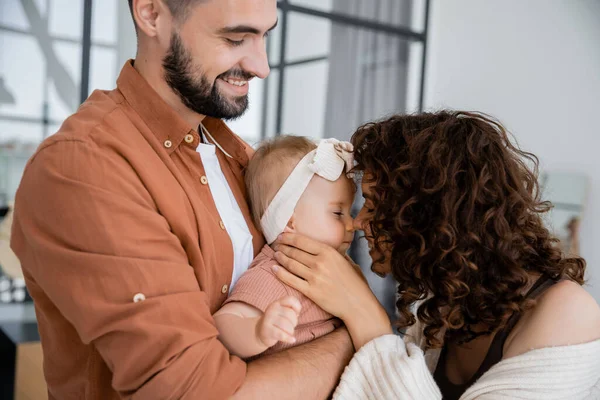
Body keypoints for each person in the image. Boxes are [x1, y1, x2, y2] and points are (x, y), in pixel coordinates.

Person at [10, 0, 353, 398]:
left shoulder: (238, 156)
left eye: (264, 37)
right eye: (236, 37)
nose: (262, 67)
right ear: (151, 13)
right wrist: (361, 334)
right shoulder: (83, 167)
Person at [273, 111, 600, 399]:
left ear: (427, 214)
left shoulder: (566, 313)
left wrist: (363, 312)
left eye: (372, 205)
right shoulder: (445, 301)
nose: (358, 222)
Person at [214, 136, 355, 359]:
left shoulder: (341, 267)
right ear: (289, 220)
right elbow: (224, 325)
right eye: (338, 213)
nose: (352, 224)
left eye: (350, 212)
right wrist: (258, 331)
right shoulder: (278, 273)